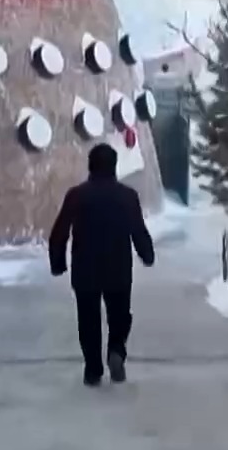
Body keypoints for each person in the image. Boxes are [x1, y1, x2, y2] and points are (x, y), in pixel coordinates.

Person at [48, 143, 155, 386]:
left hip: (85, 270)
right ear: (114, 166)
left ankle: (93, 368)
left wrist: (58, 263)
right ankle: (116, 350)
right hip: (118, 269)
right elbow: (138, 229)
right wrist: (146, 254)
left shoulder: (76, 195)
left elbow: (59, 232)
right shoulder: (127, 196)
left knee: (88, 320)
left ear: (90, 166)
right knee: (120, 316)